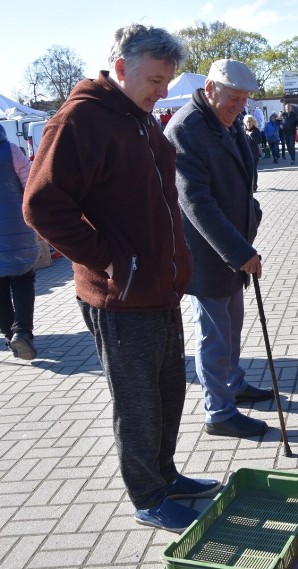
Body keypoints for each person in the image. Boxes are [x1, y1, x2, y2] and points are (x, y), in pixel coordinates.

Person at [23, 23, 221, 534]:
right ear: (120, 70)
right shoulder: (81, 120)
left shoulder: (139, 120)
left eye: (166, 81)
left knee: (168, 391)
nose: (162, 91)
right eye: (155, 80)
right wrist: (105, 258)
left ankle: (165, 474)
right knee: (137, 401)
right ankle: (148, 495)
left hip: (160, 287)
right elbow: (42, 205)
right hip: (122, 294)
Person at [164, 58, 273, 440]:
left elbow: (244, 175)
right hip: (208, 255)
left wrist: (251, 217)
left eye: (244, 99)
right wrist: (240, 251)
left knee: (233, 326)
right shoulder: (186, 129)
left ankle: (234, 383)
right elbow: (196, 203)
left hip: (232, 248)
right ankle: (219, 412)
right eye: (234, 98)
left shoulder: (222, 120)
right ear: (210, 89)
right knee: (214, 335)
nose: (240, 106)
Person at [0, 126, 39, 360]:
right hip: (17, 228)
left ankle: (8, 334)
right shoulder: (11, 150)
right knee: (23, 280)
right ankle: (22, 332)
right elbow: (31, 188)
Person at [243, 114, 262, 191]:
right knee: (247, 170)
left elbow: (259, 141)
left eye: (250, 122)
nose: (248, 123)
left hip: (254, 154)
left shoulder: (256, 131)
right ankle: (248, 186)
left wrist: (252, 135)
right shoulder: (243, 130)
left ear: (253, 122)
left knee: (253, 170)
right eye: (247, 122)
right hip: (246, 154)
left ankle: (254, 186)